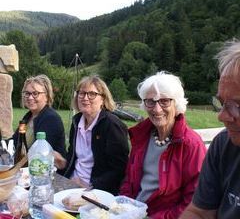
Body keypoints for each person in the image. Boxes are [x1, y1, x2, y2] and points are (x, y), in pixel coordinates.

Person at [120, 71, 207, 219]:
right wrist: (123, 206)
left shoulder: (191, 144)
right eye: (150, 101)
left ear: (177, 103)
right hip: (132, 211)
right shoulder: (141, 135)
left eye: (164, 101)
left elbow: (193, 201)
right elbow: (129, 179)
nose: (157, 109)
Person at [180, 40, 240, 219]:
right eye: (222, 103)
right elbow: (199, 212)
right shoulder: (224, 144)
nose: (221, 116)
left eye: (237, 104)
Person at [62, 75, 129, 195]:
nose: (85, 98)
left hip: (97, 192)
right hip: (71, 183)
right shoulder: (76, 121)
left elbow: (119, 169)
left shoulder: (112, 125)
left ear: (103, 99)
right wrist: (61, 162)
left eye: (92, 94)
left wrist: (91, 185)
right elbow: (73, 156)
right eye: (81, 93)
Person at [12, 74, 66, 170]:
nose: (30, 97)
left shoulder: (50, 119)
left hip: (47, 174)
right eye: (27, 93)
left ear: (47, 96)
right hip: (28, 170)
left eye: (35, 93)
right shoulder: (28, 117)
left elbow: (39, 153)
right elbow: (15, 141)